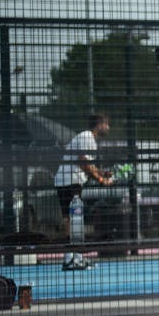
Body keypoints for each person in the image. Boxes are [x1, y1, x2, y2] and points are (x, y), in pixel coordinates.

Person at [53, 113, 113, 271]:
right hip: (71, 181)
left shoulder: (87, 138)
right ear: (99, 124)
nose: (108, 127)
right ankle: (74, 259)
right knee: (75, 218)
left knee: (71, 219)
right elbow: (82, 161)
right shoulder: (87, 137)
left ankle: (72, 259)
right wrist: (101, 180)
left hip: (66, 181)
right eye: (107, 124)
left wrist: (101, 173)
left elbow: (87, 164)